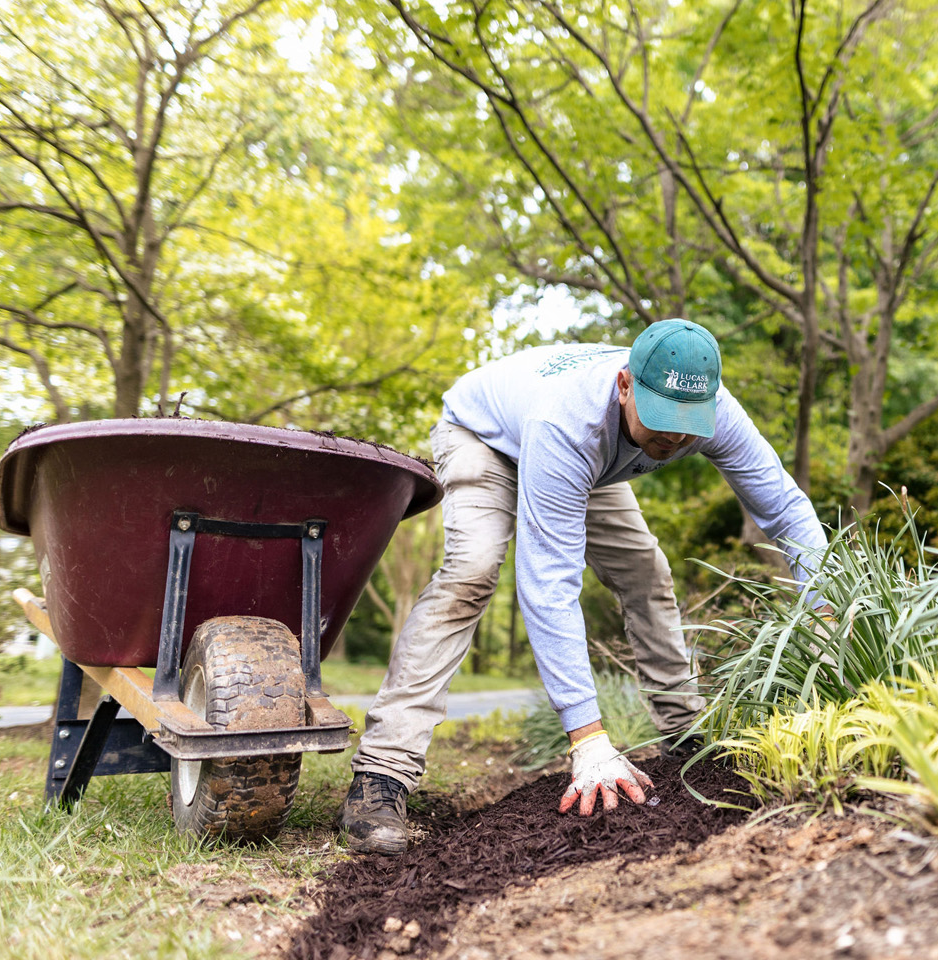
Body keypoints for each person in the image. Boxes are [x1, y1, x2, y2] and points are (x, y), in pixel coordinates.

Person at [340, 319, 828, 854]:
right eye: (661, 420)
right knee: (472, 572)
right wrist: (588, 738)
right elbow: (549, 584)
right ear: (625, 387)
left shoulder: (715, 413)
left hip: (590, 467)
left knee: (646, 573)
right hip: (488, 439)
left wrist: (824, 602)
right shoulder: (567, 419)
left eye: (688, 425)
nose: (675, 439)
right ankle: (382, 773)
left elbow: (784, 507)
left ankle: (685, 736)